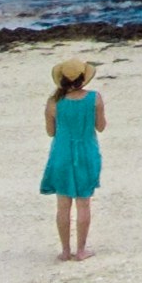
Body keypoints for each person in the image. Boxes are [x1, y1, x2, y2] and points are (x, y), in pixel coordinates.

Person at [41, 57, 105, 260]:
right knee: (83, 203)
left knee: (62, 206)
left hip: (61, 154)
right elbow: (101, 126)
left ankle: (66, 250)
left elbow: (51, 132)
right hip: (86, 151)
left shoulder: (54, 102)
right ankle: (81, 249)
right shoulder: (94, 98)